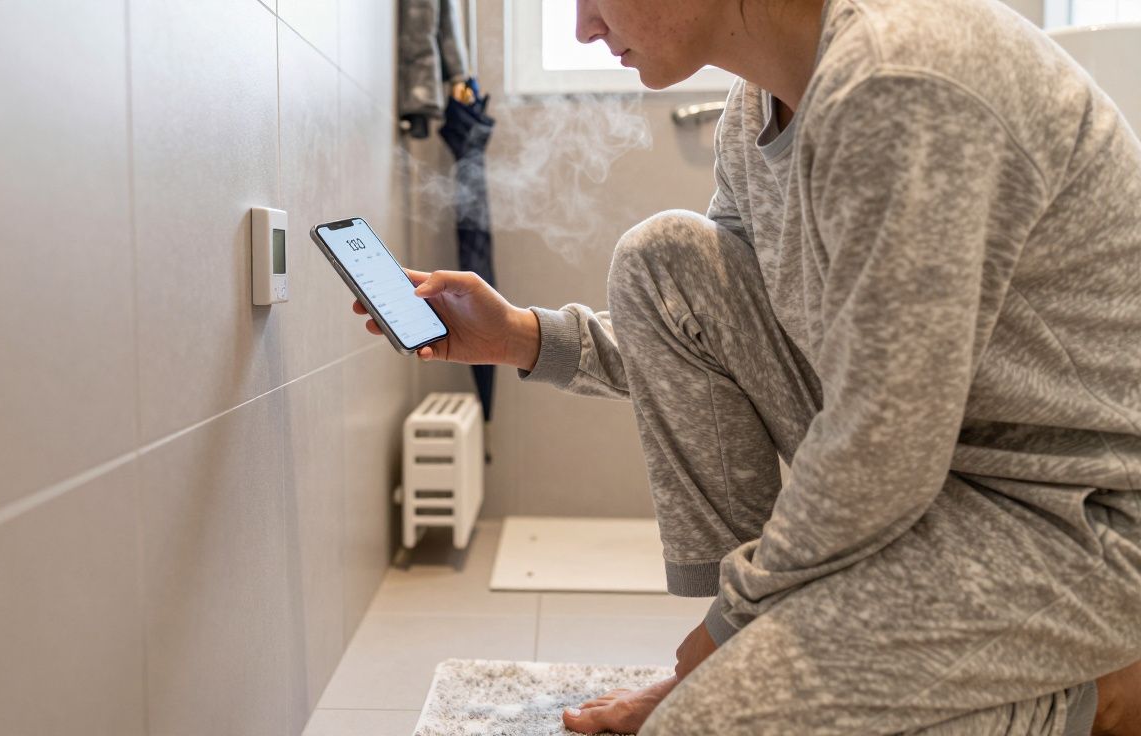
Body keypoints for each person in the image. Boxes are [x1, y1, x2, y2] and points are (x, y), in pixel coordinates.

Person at [354, 0, 1141, 732]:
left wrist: (734, 628)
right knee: (664, 261)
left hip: (1078, 520)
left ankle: (1100, 692)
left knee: (716, 723)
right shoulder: (755, 108)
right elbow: (707, 332)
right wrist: (522, 337)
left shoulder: (900, 84)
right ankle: (797, 636)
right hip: (939, 480)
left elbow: (884, 446)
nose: (584, 27)